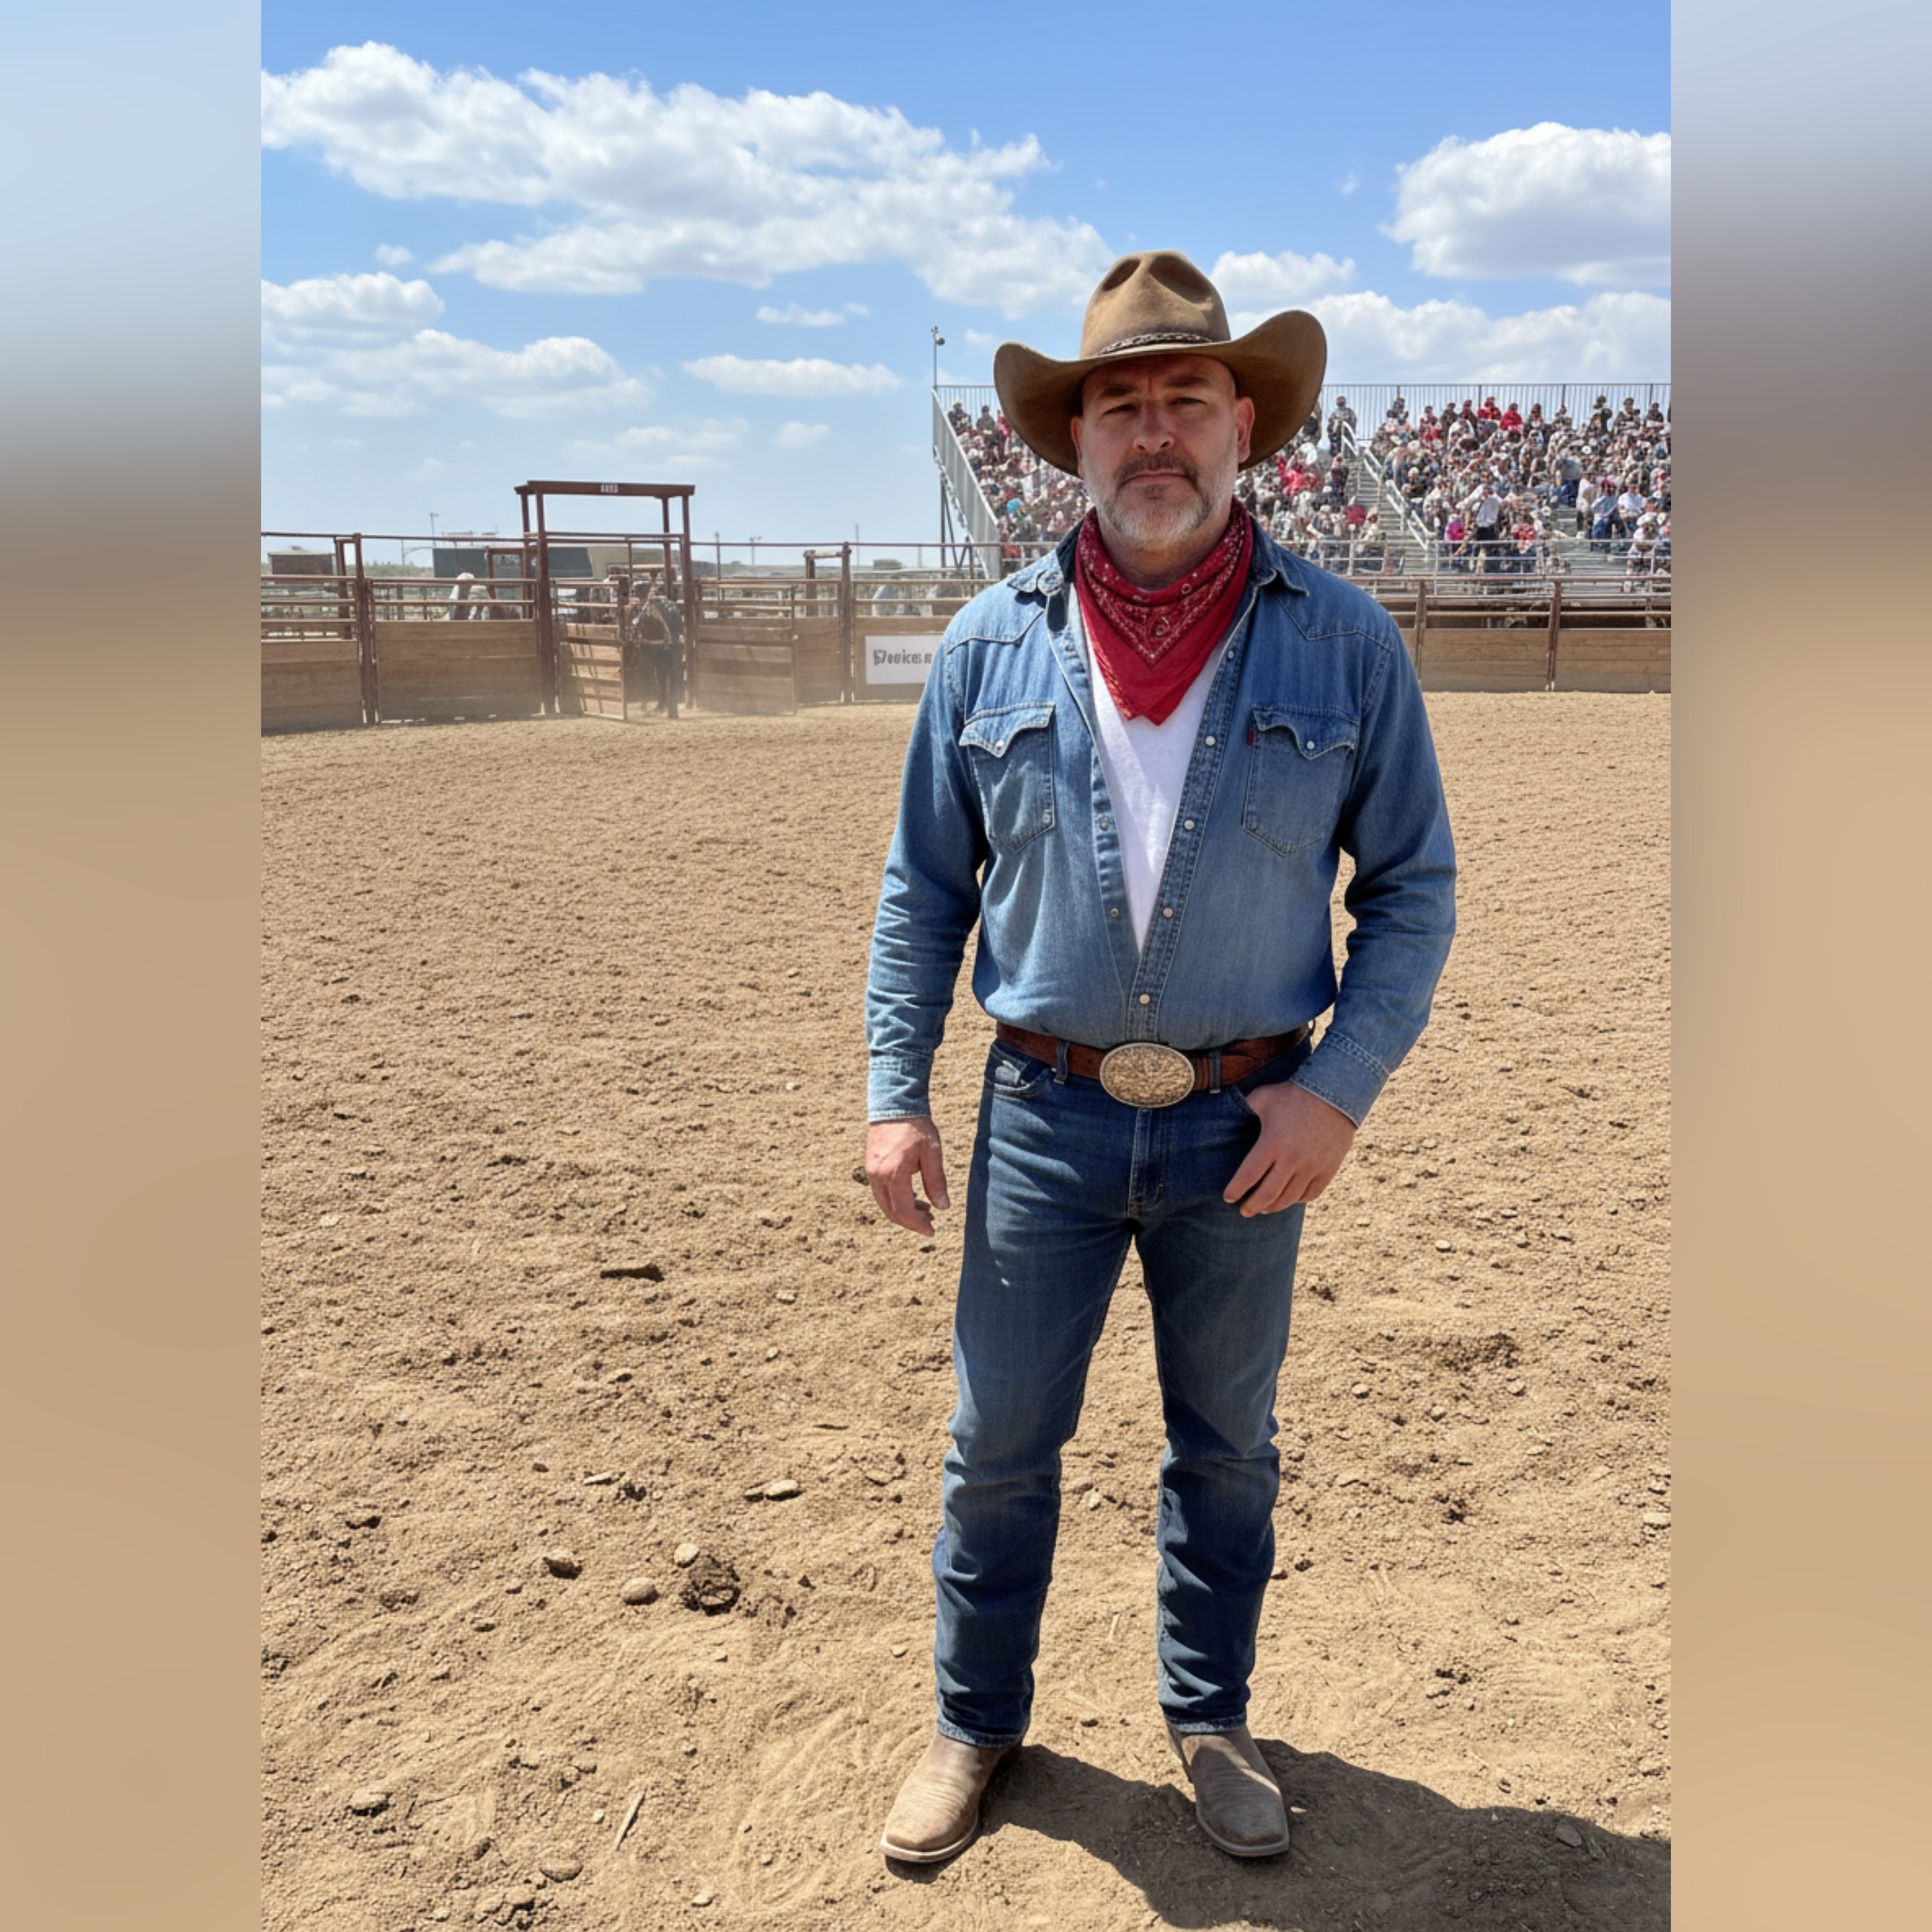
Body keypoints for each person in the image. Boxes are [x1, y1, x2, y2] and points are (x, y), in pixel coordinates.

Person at [866, 250, 1456, 1867]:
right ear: (1072, 437)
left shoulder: (1345, 645)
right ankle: (974, 1722)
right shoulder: (987, 646)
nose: (1151, 432)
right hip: (1041, 1114)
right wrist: (893, 1095)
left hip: (1244, 1125)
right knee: (998, 1446)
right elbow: (922, 891)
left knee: (1226, 1448)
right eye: (1117, 403)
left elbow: (1412, 889)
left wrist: (1335, 1091)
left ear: (1242, 424)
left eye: (1184, 397)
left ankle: (1209, 1716)